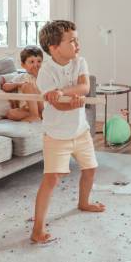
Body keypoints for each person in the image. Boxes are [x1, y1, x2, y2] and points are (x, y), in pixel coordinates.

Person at [31, 20, 104, 244]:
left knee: (90, 169)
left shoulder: (79, 61)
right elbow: (60, 106)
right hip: (56, 135)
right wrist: (65, 100)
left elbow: (84, 87)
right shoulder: (46, 72)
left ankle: (83, 202)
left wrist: (63, 92)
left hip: (80, 131)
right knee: (51, 178)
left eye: (77, 39)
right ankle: (37, 228)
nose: (77, 44)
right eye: (71, 41)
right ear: (54, 48)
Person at [1, 45, 44, 122]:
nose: (36, 65)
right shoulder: (21, 77)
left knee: (27, 86)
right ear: (23, 65)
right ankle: (38, 116)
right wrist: (19, 84)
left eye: (39, 61)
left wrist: (36, 76)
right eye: (32, 62)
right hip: (26, 109)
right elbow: (5, 87)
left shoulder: (43, 76)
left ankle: (35, 115)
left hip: (41, 106)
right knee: (10, 113)